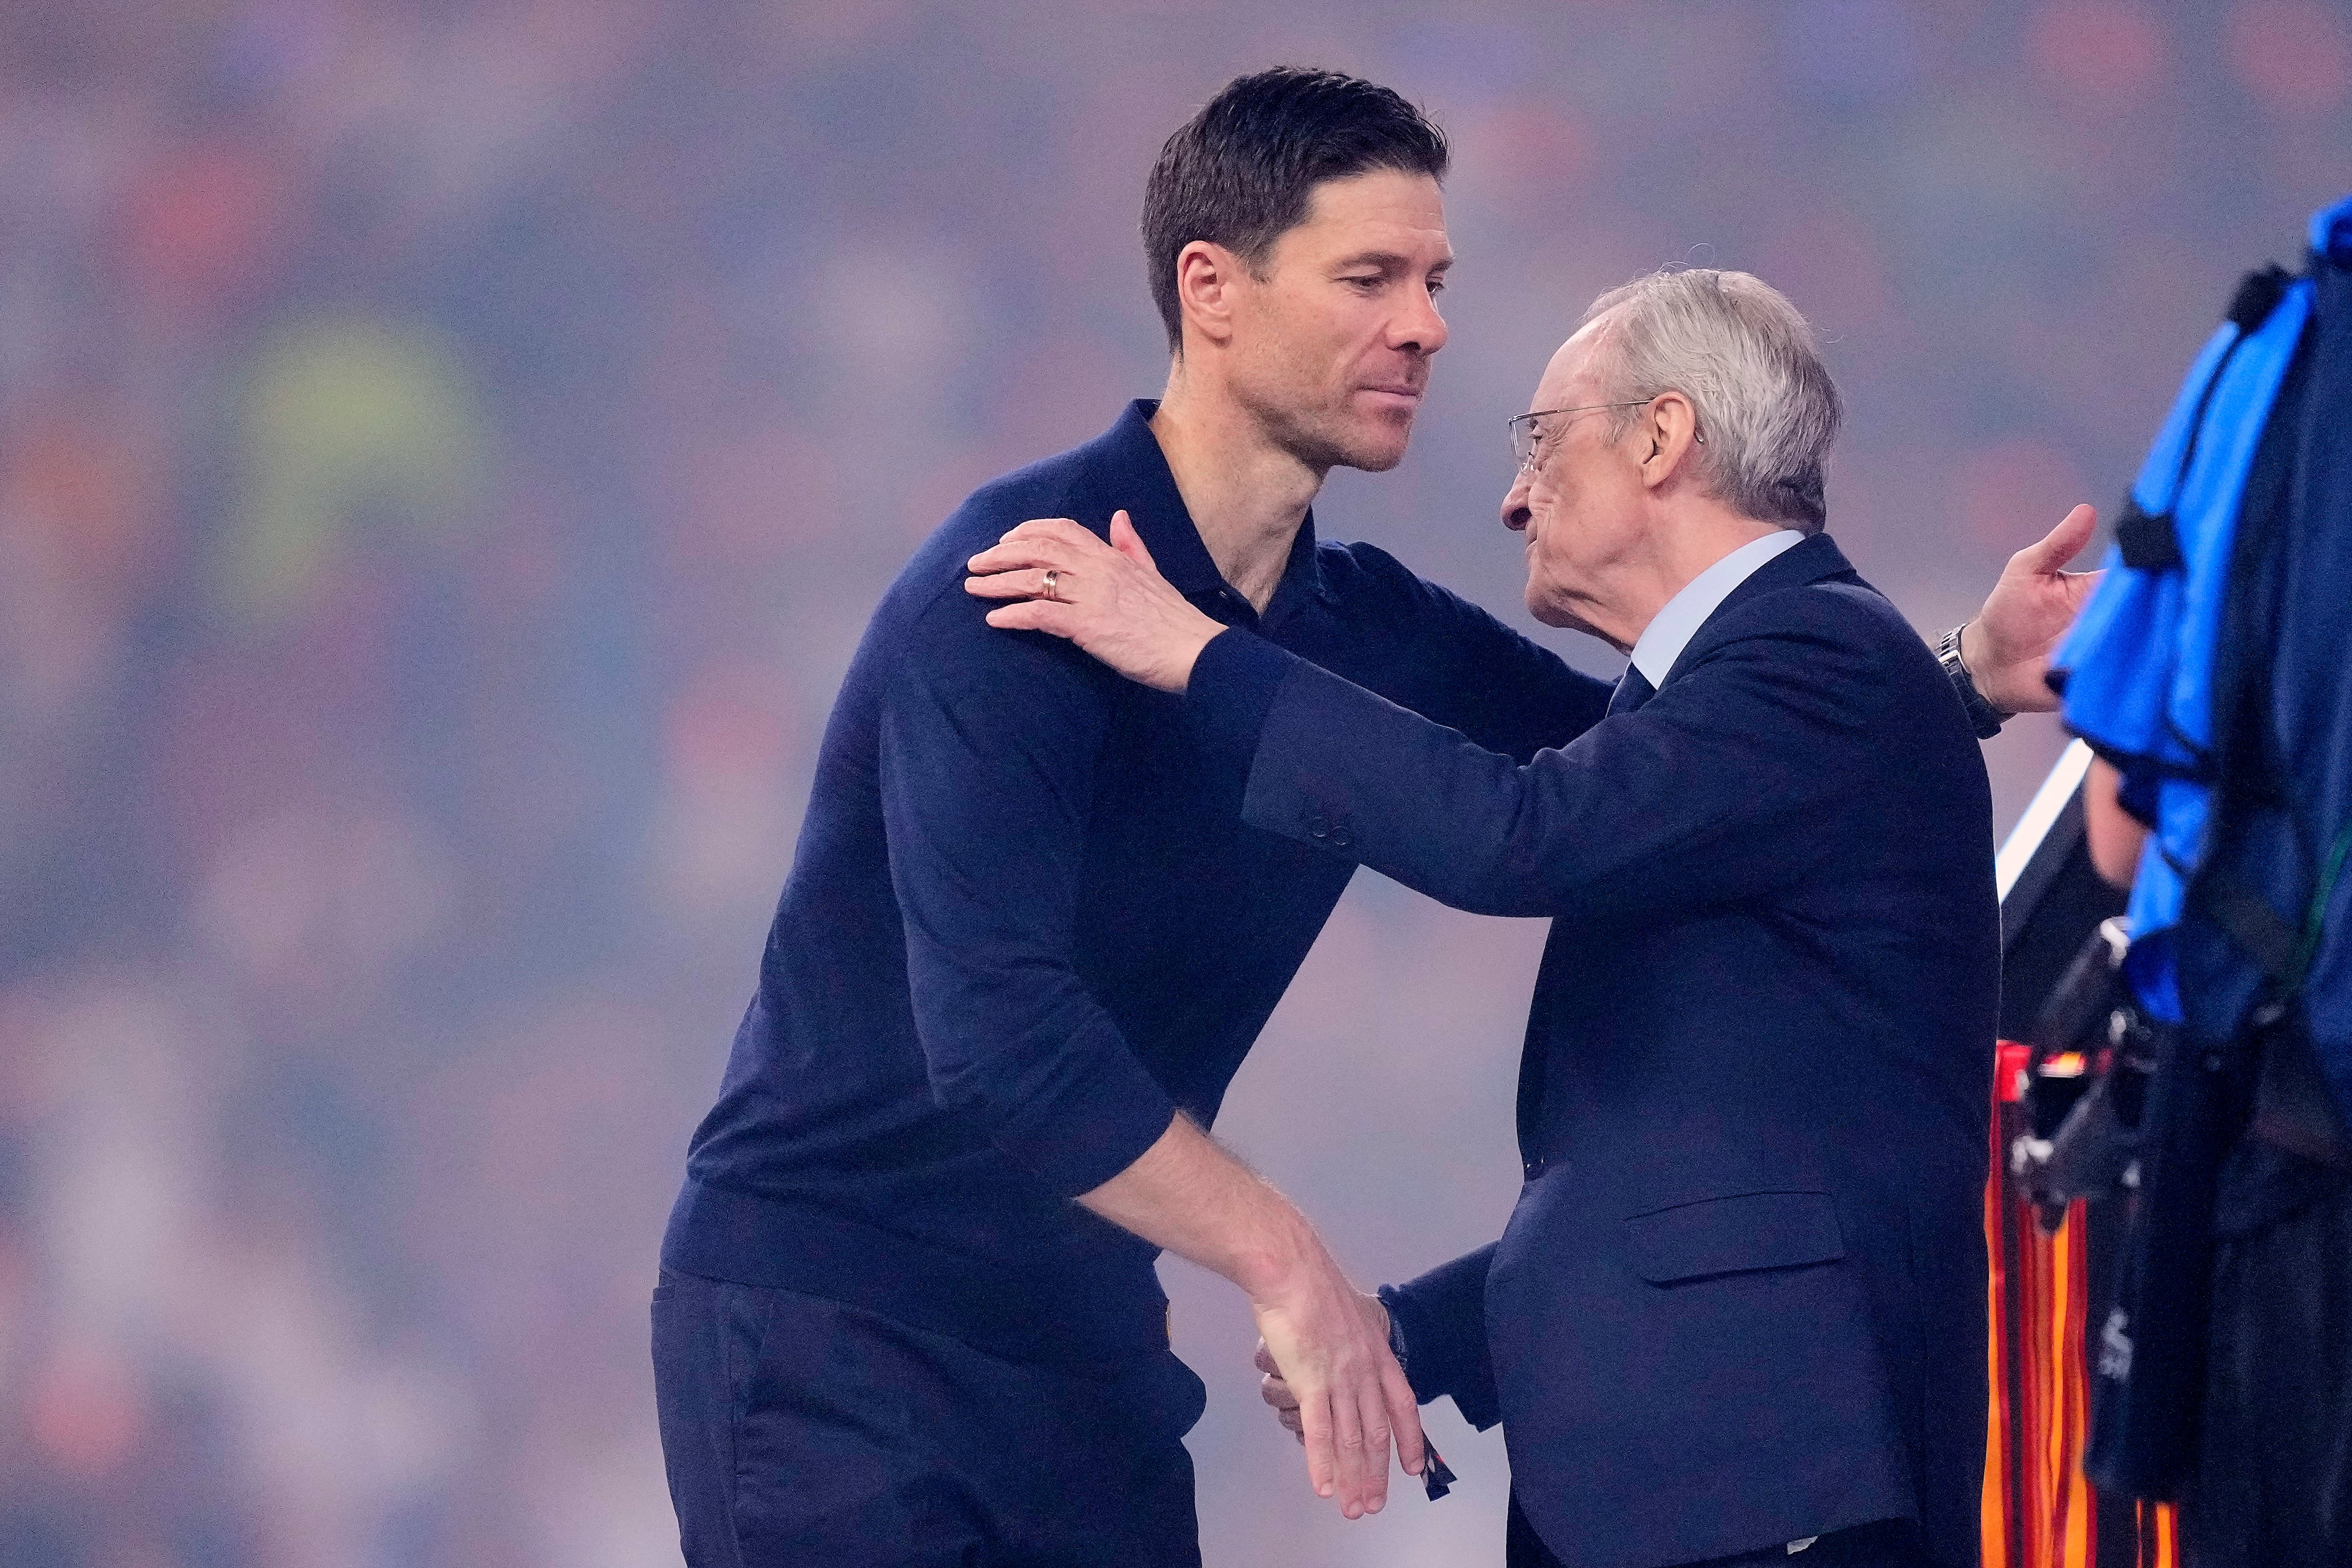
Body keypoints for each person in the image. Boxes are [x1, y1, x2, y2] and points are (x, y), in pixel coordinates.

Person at [656, 66, 2085, 1568]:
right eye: (1370, 278)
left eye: (1437, 280)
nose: (1427, 324)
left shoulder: (1368, 628)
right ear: (1213, 290)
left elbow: (1653, 789)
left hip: (1084, 1345)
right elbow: (1001, 1040)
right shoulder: (1024, 586)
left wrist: (1949, 682)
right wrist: (1289, 1264)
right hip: (837, 1325)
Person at [967, 268, 2046, 1568]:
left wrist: (1194, 652)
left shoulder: (1813, 661)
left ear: (1660, 439)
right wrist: (1417, 1338)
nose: (1514, 494)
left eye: (1543, 441)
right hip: (1722, 1488)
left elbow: (1513, 830)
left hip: (1767, 1495)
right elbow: (1691, 1187)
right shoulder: (1768, 700)